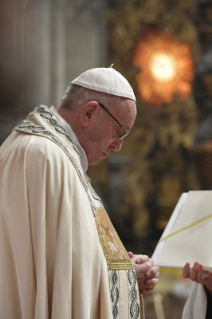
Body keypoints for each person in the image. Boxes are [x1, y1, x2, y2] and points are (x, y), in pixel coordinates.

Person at [0, 67, 159, 319]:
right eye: (118, 133)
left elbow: (63, 261)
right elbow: (60, 279)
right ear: (89, 112)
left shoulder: (52, 153)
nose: (118, 146)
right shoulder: (45, 157)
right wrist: (127, 277)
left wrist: (124, 270)